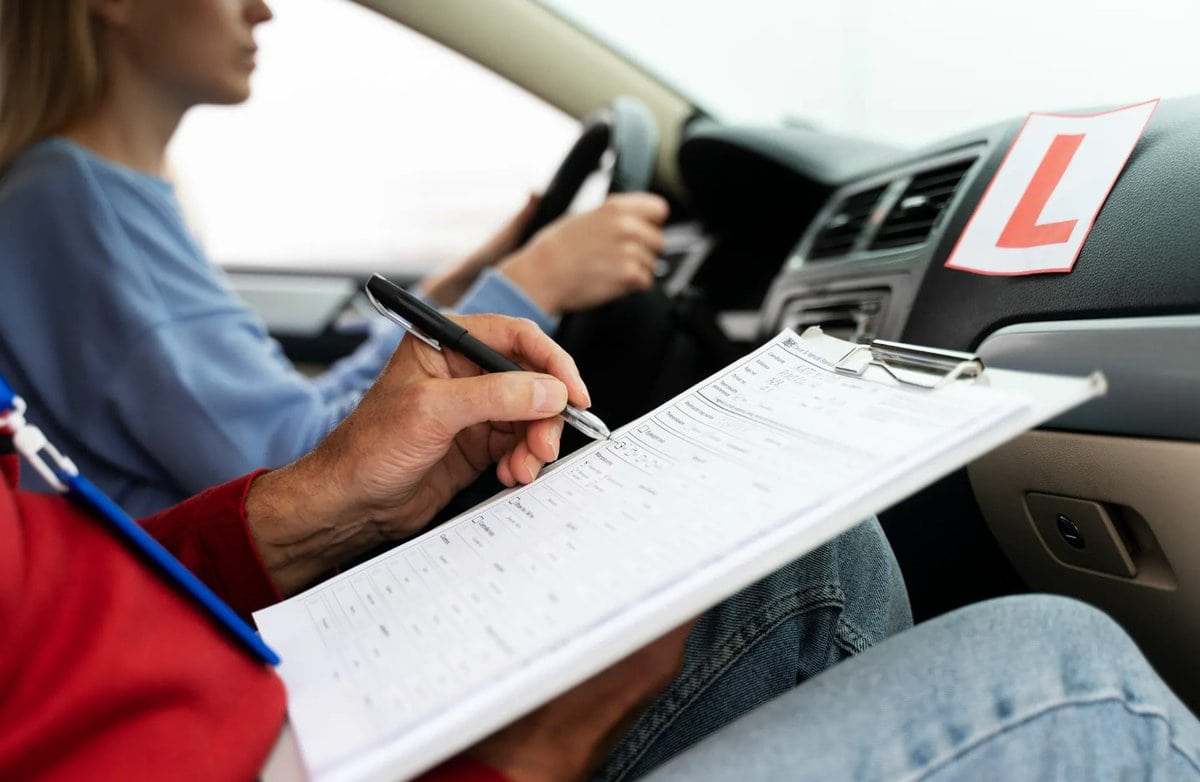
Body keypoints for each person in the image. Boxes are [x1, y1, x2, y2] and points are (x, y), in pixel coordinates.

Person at [3, 314, 1198, 781]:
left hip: (248, 715)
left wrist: (312, 508)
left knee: (811, 556)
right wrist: (522, 754)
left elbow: (51, 615)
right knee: (1074, 682)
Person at [0, 0, 669, 516]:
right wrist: (534, 282)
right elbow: (296, 474)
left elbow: (293, 413)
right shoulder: (79, 208)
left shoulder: (90, 194)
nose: (262, 9)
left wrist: (463, 288)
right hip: (199, 615)